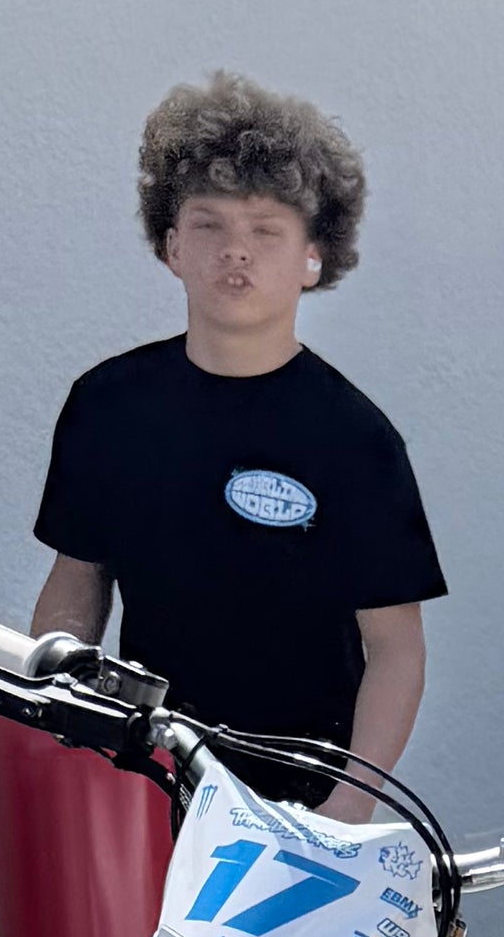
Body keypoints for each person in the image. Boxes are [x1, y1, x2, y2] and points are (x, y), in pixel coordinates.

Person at [30, 70, 443, 763]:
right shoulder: (107, 406)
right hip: (144, 778)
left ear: (314, 257)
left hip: (300, 797)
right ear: (171, 247)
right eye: (208, 224)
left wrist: (343, 809)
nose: (236, 250)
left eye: (266, 229)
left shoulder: (357, 441)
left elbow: (397, 651)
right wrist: (47, 757)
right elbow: (76, 586)